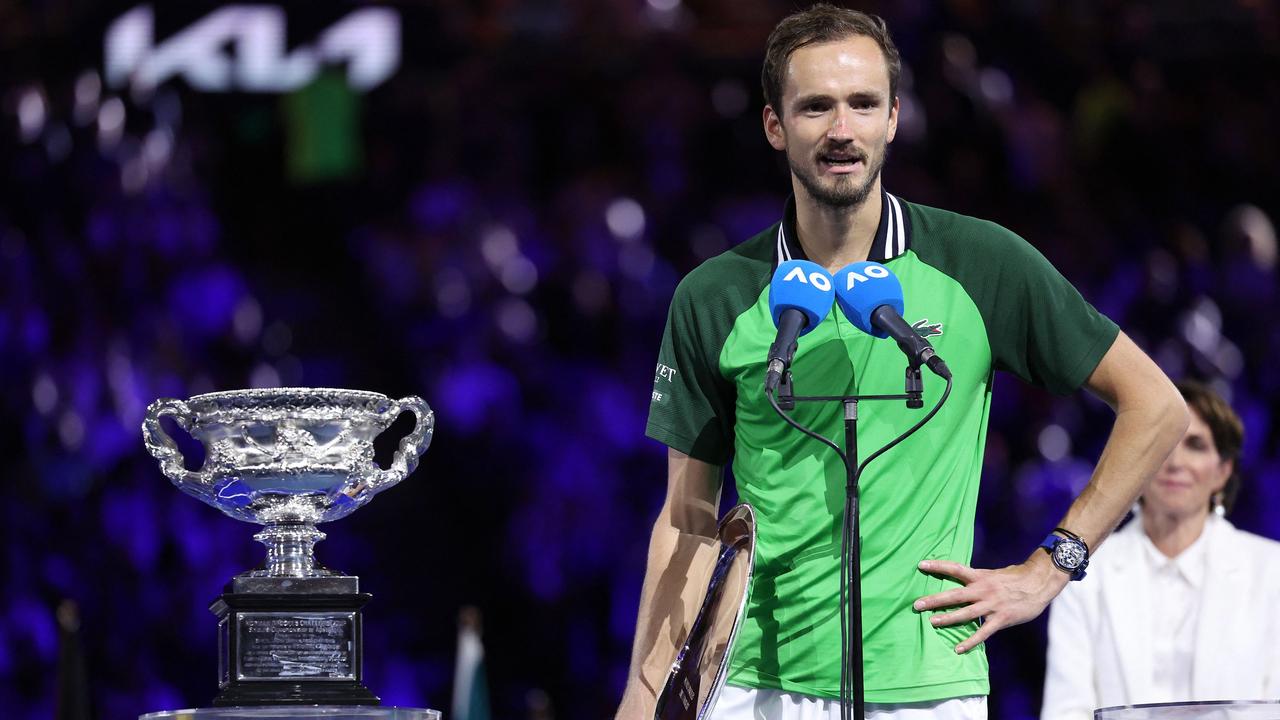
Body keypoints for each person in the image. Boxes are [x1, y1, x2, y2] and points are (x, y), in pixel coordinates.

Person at [616, 5, 1189, 719]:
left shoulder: (980, 263)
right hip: (754, 686)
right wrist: (642, 699)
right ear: (774, 125)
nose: (841, 130)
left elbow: (1157, 406)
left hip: (929, 691)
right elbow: (687, 521)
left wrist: (1049, 570)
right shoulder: (716, 295)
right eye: (815, 107)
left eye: (862, 104)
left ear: (893, 117)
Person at [1041, 381, 1280, 719]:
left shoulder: (1271, 570)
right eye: (1163, 444)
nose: (1175, 462)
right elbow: (1066, 709)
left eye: (1195, 445)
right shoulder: (1085, 572)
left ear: (1222, 472)